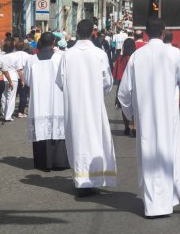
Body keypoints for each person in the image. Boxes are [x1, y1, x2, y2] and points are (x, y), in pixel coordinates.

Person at [118, 17, 180, 218]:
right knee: (168, 154)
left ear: (146, 32)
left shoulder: (137, 56)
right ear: (163, 31)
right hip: (168, 115)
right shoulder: (174, 53)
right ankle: (168, 201)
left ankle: (151, 205)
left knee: (148, 156)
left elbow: (123, 92)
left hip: (145, 116)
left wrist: (131, 114)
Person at [56, 19, 117, 197]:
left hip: (74, 106)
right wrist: (97, 91)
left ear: (76, 32)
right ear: (92, 33)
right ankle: (93, 178)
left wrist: (72, 92)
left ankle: (81, 180)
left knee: (77, 139)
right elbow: (107, 82)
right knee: (95, 139)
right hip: (93, 104)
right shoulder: (99, 54)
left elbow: (60, 81)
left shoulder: (67, 55)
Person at [24, 32, 69, 172]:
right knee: (58, 129)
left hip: (39, 101)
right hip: (57, 99)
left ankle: (43, 162)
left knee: (41, 129)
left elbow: (27, 81)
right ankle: (59, 162)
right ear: (53, 43)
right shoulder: (61, 58)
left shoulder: (31, 60)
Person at [113, 38, 136, 136]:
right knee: (135, 105)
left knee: (123, 105)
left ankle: (126, 127)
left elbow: (116, 74)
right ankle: (135, 127)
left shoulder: (120, 58)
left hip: (122, 84)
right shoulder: (135, 57)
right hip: (134, 84)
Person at [1, 37, 23, 121]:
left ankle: (3, 112)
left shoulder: (2, 56)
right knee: (11, 97)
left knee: (3, 96)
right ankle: (8, 116)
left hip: (3, 77)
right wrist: (22, 80)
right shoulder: (16, 56)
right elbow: (19, 70)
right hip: (13, 78)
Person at [15, 38, 31, 118]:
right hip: (24, 77)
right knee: (23, 95)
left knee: (11, 96)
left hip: (13, 77)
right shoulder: (27, 56)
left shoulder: (12, 55)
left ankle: (6, 112)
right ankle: (21, 112)